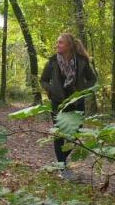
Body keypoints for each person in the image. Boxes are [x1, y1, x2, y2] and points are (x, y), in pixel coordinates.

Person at [40, 32, 97, 180]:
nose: (56, 45)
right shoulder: (52, 61)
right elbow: (43, 80)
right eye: (57, 42)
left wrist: (83, 90)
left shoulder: (82, 61)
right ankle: (62, 166)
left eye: (60, 42)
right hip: (58, 103)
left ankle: (60, 162)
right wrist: (51, 90)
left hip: (76, 102)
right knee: (59, 135)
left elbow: (92, 79)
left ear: (69, 45)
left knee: (74, 135)